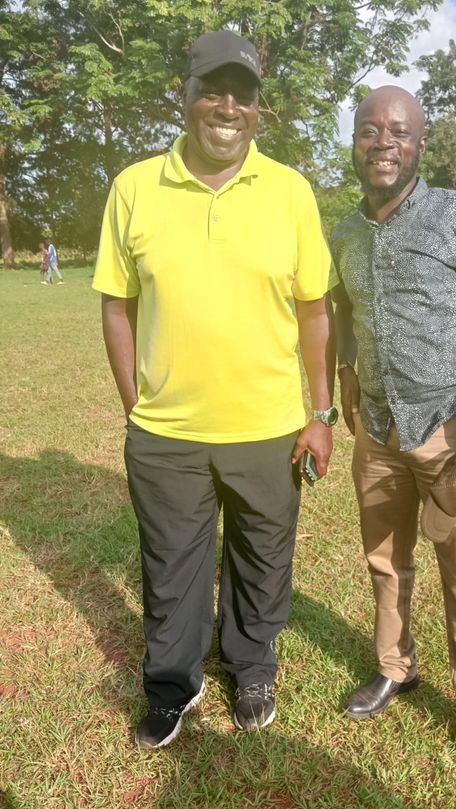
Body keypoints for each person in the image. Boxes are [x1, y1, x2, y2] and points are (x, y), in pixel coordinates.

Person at [92, 31, 337, 748]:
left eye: (244, 94)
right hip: (167, 434)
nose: (228, 106)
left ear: (259, 109)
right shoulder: (134, 187)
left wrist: (320, 413)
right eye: (213, 89)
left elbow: (315, 310)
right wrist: (135, 407)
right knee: (170, 567)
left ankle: (251, 663)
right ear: (188, 95)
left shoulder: (290, 191)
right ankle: (173, 683)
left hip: (267, 428)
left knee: (263, 559)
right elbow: (116, 303)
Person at [330, 86, 456, 792]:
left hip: (452, 429)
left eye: (398, 131)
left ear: (420, 144)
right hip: (379, 431)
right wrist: (347, 371)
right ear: (354, 142)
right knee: (386, 564)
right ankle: (394, 670)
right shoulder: (345, 232)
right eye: (369, 130)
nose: (382, 142)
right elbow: (340, 307)